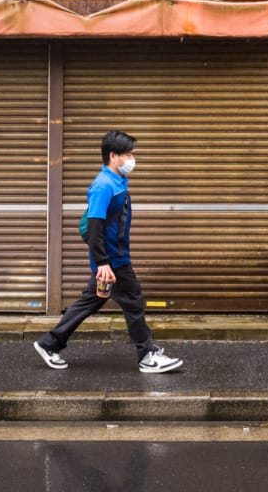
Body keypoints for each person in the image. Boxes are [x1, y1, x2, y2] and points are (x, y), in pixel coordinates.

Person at [34, 130, 183, 374]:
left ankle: (49, 343)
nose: (132, 159)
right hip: (113, 261)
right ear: (113, 156)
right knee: (133, 302)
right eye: (128, 154)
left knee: (91, 301)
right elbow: (94, 226)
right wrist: (103, 262)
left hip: (113, 258)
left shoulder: (117, 182)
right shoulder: (103, 185)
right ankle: (147, 356)